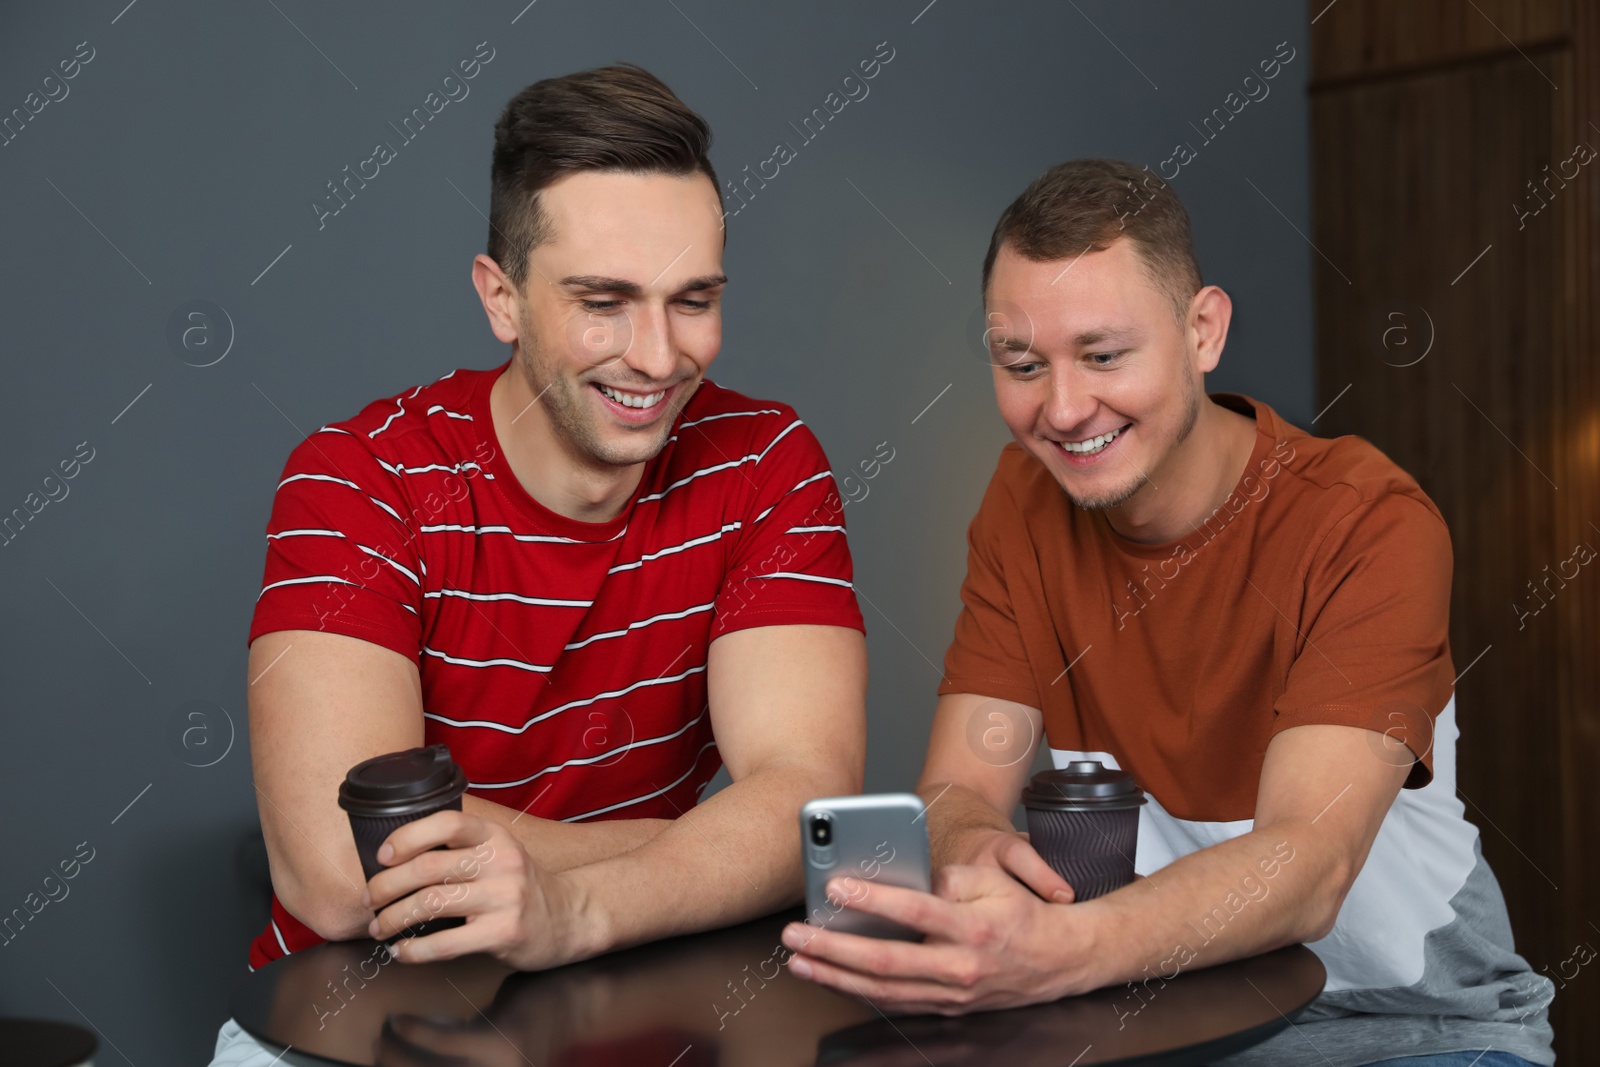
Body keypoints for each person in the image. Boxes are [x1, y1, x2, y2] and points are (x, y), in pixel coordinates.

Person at [780, 159, 1555, 1067]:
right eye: (1023, 364)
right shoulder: (1023, 504)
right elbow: (958, 788)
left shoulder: (1369, 522)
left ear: (1203, 331)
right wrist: (976, 850)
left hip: (1412, 1030)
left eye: (1104, 355)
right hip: (1154, 1026)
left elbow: (1307, 865)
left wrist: (1058, 952)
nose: (1064, 410)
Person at [208, 64, 866, 1064]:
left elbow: (813, 809)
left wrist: (576, 901)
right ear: (502, 299)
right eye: (603, 301)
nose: (655, 355)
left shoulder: (766, 462)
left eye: (692, 299)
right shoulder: (359, 479)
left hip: (624, 1018)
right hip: (343, 1036)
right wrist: (717, 847)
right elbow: (341, 874)